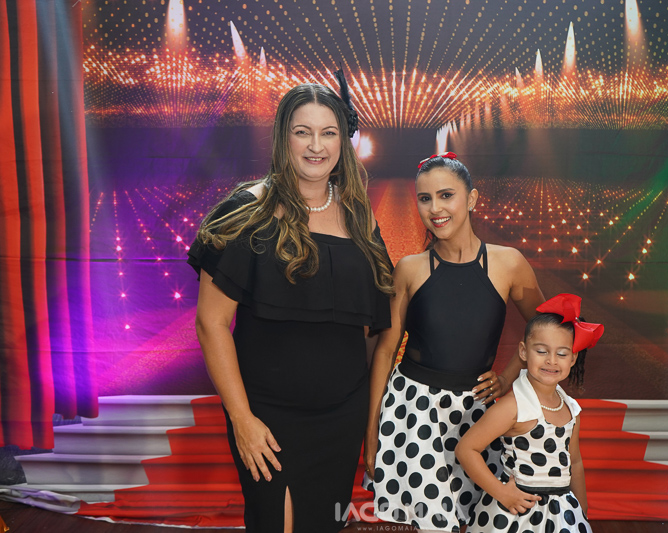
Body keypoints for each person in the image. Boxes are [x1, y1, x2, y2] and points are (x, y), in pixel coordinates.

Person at [187, 77, 393, 533]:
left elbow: (373, 327)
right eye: (303, 132)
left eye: (328, 133)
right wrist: (242, 419)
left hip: (342, 416)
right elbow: (210, 324)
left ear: (342, 140)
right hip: (267, 416)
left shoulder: (361, 218)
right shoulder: (246, 210)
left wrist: (369, 417)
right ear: (284, 137)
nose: (316, 146)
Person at [363, 153, 546, 532]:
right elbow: (385, 351)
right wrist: (371, 429)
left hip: (478, 414)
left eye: (446, 195)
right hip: (414, 412)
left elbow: (545, 330)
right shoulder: (409, 268)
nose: (435, 208)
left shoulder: (509, 263)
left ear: (472, 198)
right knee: (433, 523)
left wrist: (507, 376)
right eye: (425, 198)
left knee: (482, 518)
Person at [455, 293, 604, 533]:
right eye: (542, 351)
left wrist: (581, 511)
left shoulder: (571, 408)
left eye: (562, 353)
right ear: (523, 352)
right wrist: (502, 493)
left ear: (573, 358)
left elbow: (574, 461)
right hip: (515, 515)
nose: (551, 361)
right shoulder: (513, 406)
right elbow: (466, 449)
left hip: (561, 514)